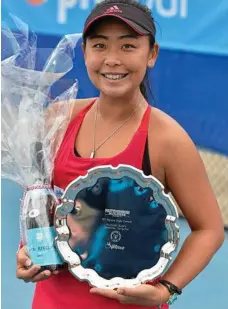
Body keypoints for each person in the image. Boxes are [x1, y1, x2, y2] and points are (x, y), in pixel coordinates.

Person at [16, 0, 224, 308]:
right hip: (52, 300)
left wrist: (166, 289)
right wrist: (28, 249)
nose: (112, 60)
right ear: (85, 51)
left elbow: (210, 229)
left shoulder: (167, 138)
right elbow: (41, 203)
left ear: (151, 54)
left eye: (128, 46)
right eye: (100, 45)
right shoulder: (57, 119)